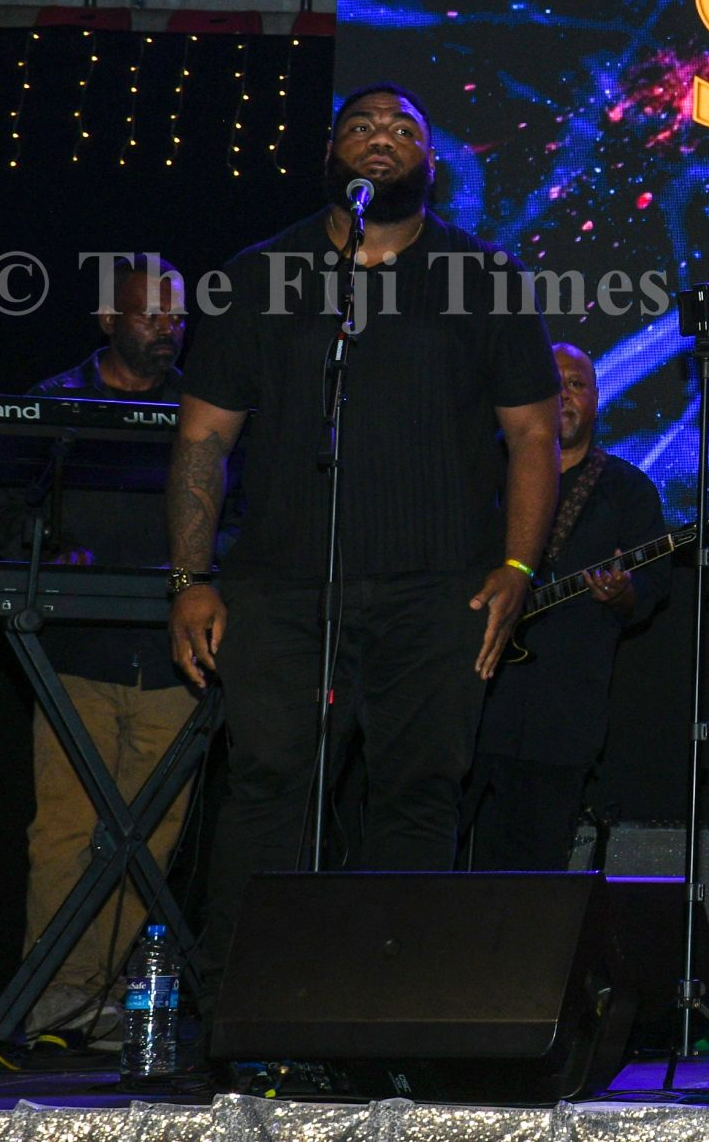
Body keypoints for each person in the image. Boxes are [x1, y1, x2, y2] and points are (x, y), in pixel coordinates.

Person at [166, 85, 561, 996]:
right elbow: (202, 438)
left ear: (431, 161)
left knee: (419, 793)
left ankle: (389, 1012)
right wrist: (190, 575)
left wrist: (517, 566)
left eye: (402, 129)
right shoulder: (261, 274)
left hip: (439, 587)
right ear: (331, 154)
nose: (380, 139)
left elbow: (534, 433)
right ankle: (247, 1009)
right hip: (282, 585)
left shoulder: (485, 279)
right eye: (360, 126)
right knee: (267, 784)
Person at [0, 261, 198, 1040]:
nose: (167, 330)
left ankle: (101, 994)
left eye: (177, 318)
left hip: (173, 654)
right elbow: (4, 506)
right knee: (67, 829)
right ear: (109, 318)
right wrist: (50, 549)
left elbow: (239, 505)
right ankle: (55, 991)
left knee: (152, 835)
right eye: (151, 316)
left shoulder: (200, 408)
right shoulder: (56, 400)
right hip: (76, 653)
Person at [466, 344, 668, 870]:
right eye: (552, 385)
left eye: (576, 385)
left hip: (562, 714)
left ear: (598, 399)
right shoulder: (482, 475)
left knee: (537, 870)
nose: (563, 397)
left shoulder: (627, 490)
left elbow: (651, 589)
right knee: (441, 854)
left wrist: (623, 592)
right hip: (471, 702)